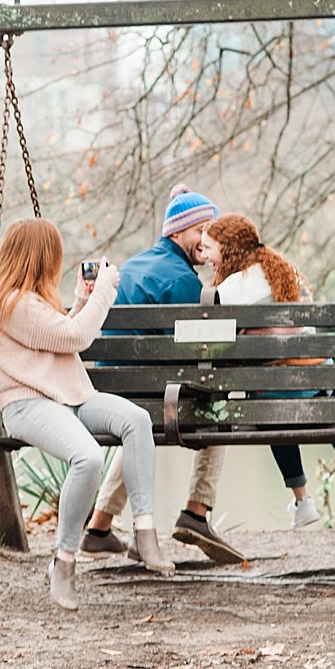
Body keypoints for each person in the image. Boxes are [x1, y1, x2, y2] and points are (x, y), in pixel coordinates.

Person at [0, 218, 174, 611]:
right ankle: (64, 562)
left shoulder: (29, 300)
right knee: (87, 457)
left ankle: (144, 533)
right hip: (30, 404)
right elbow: (74, 338)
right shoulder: (12, 303)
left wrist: (81, 302)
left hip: (72, 397)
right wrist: (102, 292)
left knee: (136, 421)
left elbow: (58, 337)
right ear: (39, 257)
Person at [199, 213, 335, 527]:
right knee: (333, 421)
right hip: (318, 385)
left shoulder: (229, 290)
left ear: (228, 249)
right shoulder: (285, 272)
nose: (205, 257)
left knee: (272, 412)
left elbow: (221, 347)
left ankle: (301, 500)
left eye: (209, 249)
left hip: (268, 398)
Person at [79, 185, 248, 565]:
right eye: (200, 231)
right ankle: (197, 511)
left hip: (117, 397)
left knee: (140, 426)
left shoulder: (134, 265)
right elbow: (208, 353)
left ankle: (99, 528)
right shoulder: (185, 283)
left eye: (212, 231)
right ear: (177, 232)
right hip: (156, 399)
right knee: (216, 402)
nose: (207, 240)